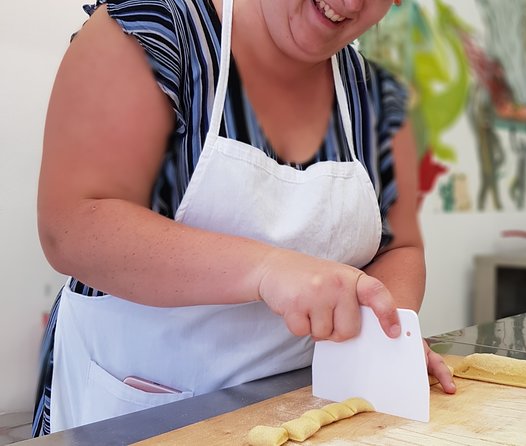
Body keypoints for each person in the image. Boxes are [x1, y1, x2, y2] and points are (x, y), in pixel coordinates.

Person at [32, 0, 455, 435]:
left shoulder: (377, 99)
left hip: (303, 412)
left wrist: (383, 340)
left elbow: (400, 247)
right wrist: (267, 269)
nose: (347, 4)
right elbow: (72, 226)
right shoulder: (154, 31)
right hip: (135, 408)